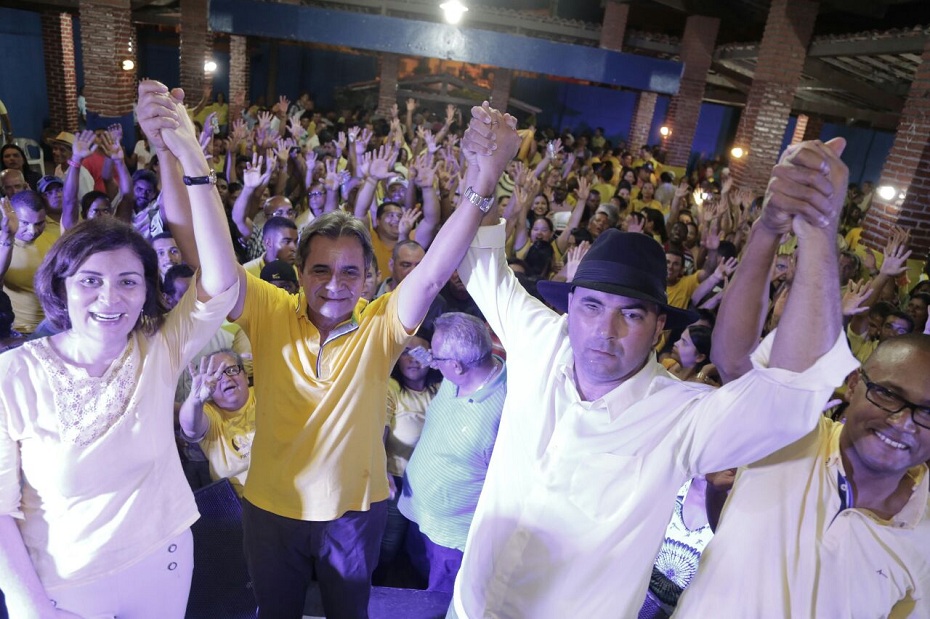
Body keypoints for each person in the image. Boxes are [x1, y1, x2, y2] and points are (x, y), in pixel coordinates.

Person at [444, 138, 857, 618]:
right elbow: (478, 260)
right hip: (468, 605)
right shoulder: (542, 338)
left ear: (661, 326)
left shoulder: (681, 416)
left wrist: (812, 227)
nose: (605, 331)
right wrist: (486, 171)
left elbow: (791, 396)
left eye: (632, 315)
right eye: (592, 306)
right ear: (569, 305)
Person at [190, 101, 520, 618]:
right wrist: (193, 164)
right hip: (271, 509)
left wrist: (485, 179)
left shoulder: (380, 323)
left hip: (354, 514)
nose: (334, 285)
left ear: (370, 276)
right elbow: (219, 266)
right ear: (299, 272)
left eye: (350, 273)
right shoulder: (269, 308)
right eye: (320, 270)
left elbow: (433, 273)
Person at [0, 79, 240, 618]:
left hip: (162, 562)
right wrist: (29, 603)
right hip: (62, 586)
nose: (111, 299)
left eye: (129, 282)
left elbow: (221, 281)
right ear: (59, 285)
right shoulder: (14, 374)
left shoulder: (156, 348)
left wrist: (185, 155)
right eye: (91, 281)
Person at [675, 340, 930, 617]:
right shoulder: (789, 431)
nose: (902, 421)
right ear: (854, 384)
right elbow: (731, 356)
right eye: (888, 394)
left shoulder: (925, 544)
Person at [398, 313, 506, 593]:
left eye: (437, 355)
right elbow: (439, 362)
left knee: (440, 603)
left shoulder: (504, 411)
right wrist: (431, 358)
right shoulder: (463, 374)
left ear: (457, 366)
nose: (432, 359)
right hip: (420, 515)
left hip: (452, 539)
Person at [179, 349, 255, 497]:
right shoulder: (209, 412)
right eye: (216, 375)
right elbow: (190, 428)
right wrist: (195, 400)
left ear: (246, 376)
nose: (226, 379)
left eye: (232, 370)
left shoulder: (266, 392)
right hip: (242, 504)